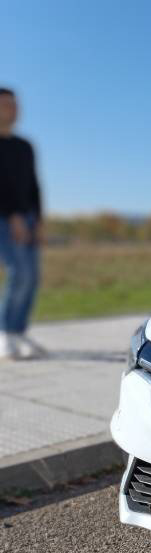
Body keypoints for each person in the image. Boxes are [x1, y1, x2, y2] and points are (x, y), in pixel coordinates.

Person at [0, 86, 45, 360]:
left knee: (32, 276)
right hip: (4, 218)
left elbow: (34, 185)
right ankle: (5, 332)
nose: (13, 109)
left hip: (28, 218)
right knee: (19, 273)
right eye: (6, 104)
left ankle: (19, 332)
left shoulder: (25, 146)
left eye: (15, 104)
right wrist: (14, 215)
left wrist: (38, 219)